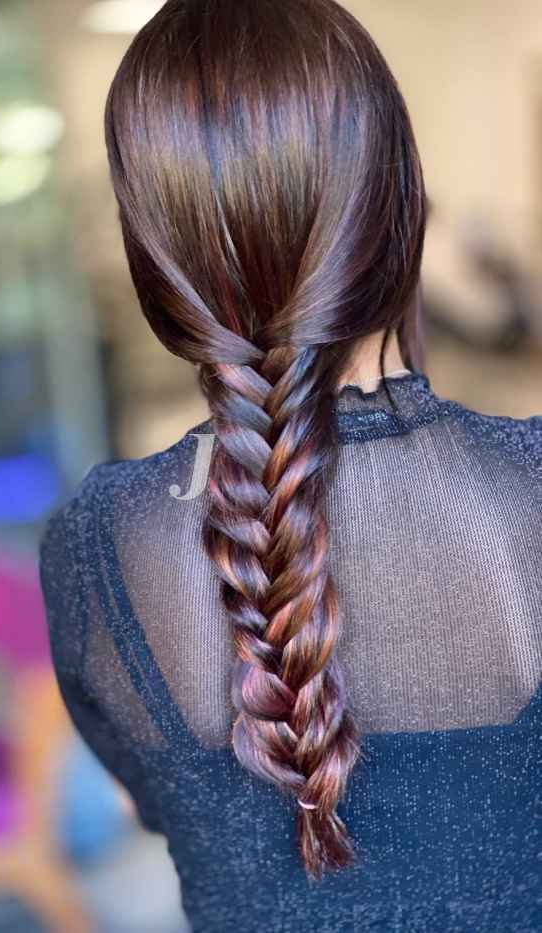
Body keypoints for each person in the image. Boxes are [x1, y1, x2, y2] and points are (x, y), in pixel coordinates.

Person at [39, 1, 542, 929]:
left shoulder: (103, 541)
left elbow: (149, 802)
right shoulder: (527, 494)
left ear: (158, 263)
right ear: (403, 207)